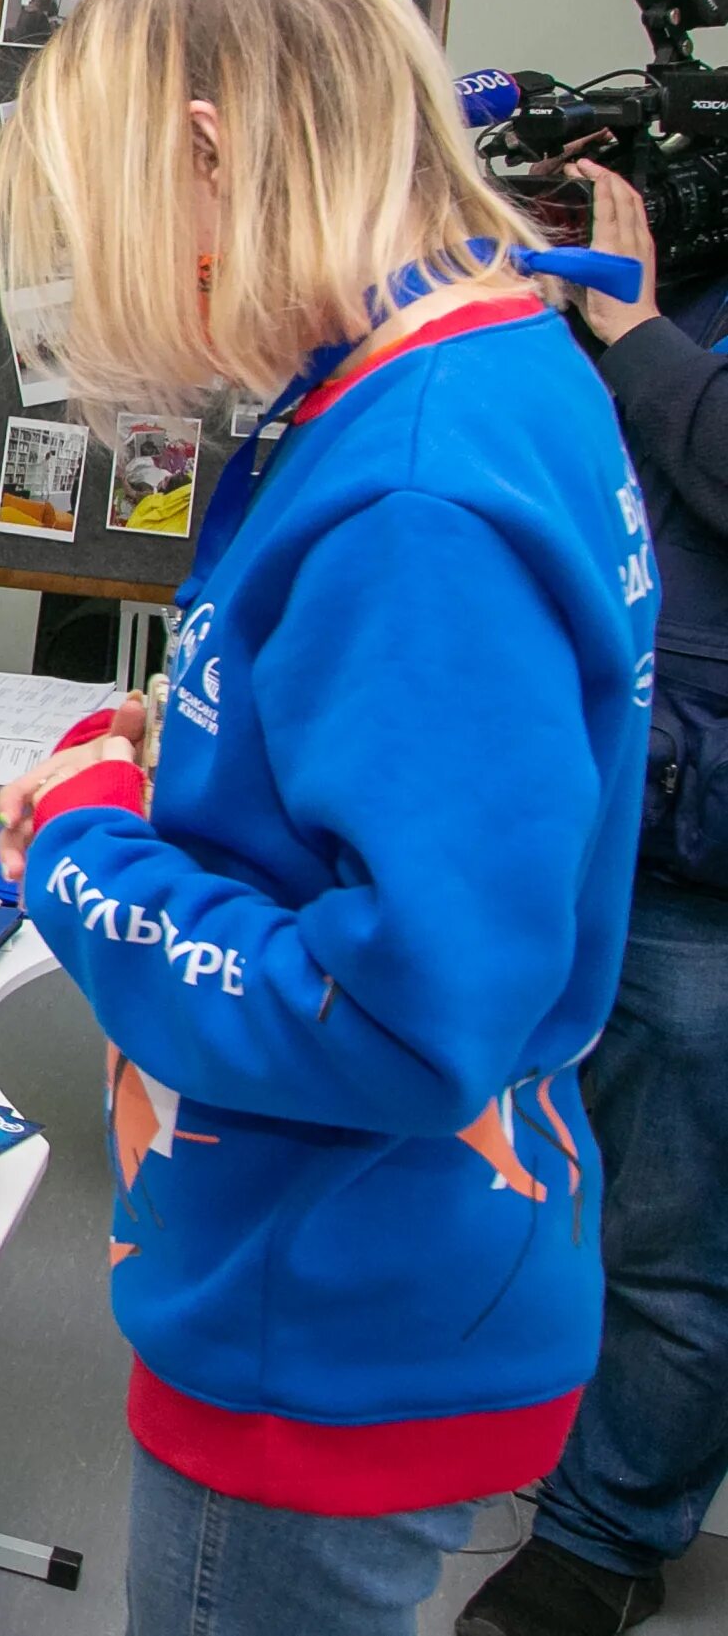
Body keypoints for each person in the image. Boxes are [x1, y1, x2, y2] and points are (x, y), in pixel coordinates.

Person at [0, 0, 655, 1636]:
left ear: (205, 152)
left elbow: (395, 1008)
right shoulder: (492, 361)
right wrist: (204, 741)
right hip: (406, 1256)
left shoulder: (409, 481)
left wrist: (76, 846)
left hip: (331, 1301)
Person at [459, 175, 728, 1636]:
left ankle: (607, 1539)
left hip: (706, 848)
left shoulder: (649, 324)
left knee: (678, 1231)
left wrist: (631, 324)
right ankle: (570, 1443)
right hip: (613, 791)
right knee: (574, 1160)